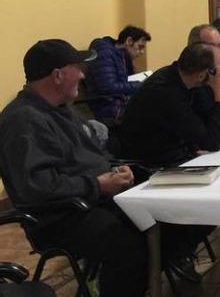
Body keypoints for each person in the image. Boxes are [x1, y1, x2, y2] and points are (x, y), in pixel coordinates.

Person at [0, 40, 201, 296]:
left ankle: (132, 282)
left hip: (96, 200)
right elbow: (37, 188)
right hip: (60, 216)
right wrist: (98, 185)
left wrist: (118, 170)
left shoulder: (61, 110)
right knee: (130, 247)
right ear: (58, 75)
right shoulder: (22, 121)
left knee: (176, 217)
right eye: (78, 68)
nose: (83, 75)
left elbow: (94, 154)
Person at [118, 42, 220, 168]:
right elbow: (212, 142)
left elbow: (203, 131)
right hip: (151, 164)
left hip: (171, 153)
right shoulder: (167, 93)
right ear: (201, 75)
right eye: (218, 71)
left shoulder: (178, 77)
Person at [84, 25, 151, 122]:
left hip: (119, 104)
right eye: (140, 47)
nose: (142, 52)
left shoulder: (121, 56)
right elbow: (108, 87)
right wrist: (141, 85)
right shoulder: (105, 54)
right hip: (109, 108)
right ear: (129, 41)